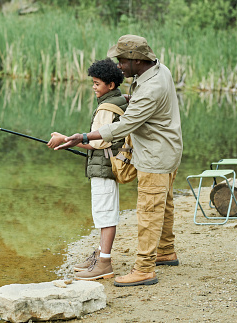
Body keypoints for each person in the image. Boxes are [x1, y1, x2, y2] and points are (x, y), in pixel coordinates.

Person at [54, 35, 183, 287]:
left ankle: (144, 268)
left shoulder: (151, 88)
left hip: (155, 157)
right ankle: (166, 251)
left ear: (136, 60)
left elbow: (123, 126)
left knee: (149, 211)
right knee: (164, 204)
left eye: (122, 60)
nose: (119, 65)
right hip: (170, 150)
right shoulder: (160, 70)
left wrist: (82, 136)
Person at [47, 58, 127, 281]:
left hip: (103, 168)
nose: (94, 87)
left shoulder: (106, 107)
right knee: (105, 213)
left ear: (110, 85)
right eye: (93, 83)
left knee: (105, 215)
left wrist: (66, 139)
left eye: (97, 83)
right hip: (108, 166)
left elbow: (97, 142)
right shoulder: (121, 100)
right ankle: (100, 256)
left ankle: (104, 263)